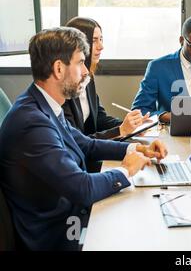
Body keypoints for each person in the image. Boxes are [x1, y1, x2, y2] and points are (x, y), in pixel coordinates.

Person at [0, 28, 168, 251]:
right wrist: (126, 171)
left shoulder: (44, 104)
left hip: (68, 218)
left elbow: (86, 144)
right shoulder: (32, 123)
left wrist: (136, 149)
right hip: (58, 235)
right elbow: (82, 188)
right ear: (59, 69)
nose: (85, 71)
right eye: (80, 63)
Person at [62, 17, 149, 141]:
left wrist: (131, 126)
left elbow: (100, 118)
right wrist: (121, 130)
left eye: (101, 39)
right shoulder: (66, 85)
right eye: (94, 40)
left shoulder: (88, 77)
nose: (101, 46)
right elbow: (76, 141)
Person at [132, 15, 191, 123]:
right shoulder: (157, 67)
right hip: (170, 135)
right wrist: (165, 116)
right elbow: (139, 111)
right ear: (182, 40)